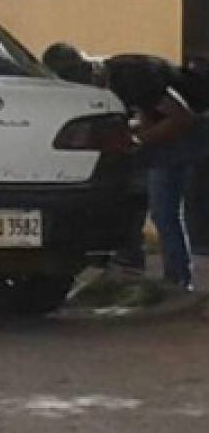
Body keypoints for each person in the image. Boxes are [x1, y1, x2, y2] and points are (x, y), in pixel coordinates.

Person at [43, 44, 209, 290]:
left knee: (164, 199)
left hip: (198, 123)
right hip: (178, 130)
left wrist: (138, 140)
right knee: (162, 209)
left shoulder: (132, 75)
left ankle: (141, 264)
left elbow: (181, 116)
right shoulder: (115, 78)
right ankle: (175, 278)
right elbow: (149, 113)